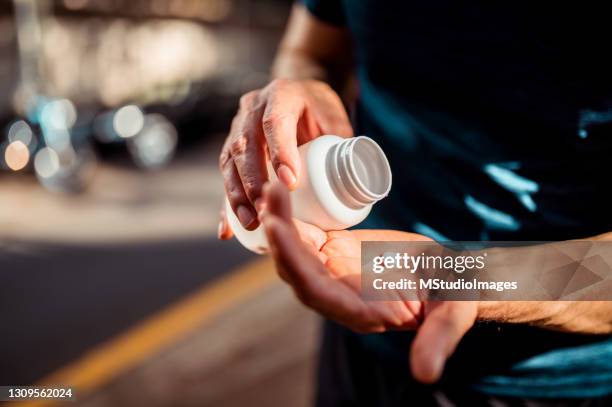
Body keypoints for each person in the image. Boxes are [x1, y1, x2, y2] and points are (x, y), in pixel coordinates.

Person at [218, 1, 612, 405]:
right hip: (362, 302)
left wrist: (472, 275)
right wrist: (304, 86)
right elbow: (311, 51)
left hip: (554, 382)